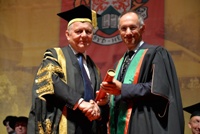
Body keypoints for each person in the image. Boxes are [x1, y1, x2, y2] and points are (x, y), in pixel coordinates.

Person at [27, 5, 109, 134]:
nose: (84, 35)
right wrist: (80, 102)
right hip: (65, 124)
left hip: (89, 127)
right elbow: (50, 80)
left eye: (88, 31)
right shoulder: (55, 55)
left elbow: (98, 98)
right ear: (68, 34)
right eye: (79, 31)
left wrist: (98, 108)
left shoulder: (94, 68)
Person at [101, 10, 185, 134]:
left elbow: (158, 89)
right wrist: (107, 99)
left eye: (132, 27)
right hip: (120, 126)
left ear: (142, 28)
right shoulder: (119, 63)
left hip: (144, 123)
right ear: (119, 32)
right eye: (124, 29)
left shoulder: (155, 53)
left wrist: (123, 89)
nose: (128, 32)